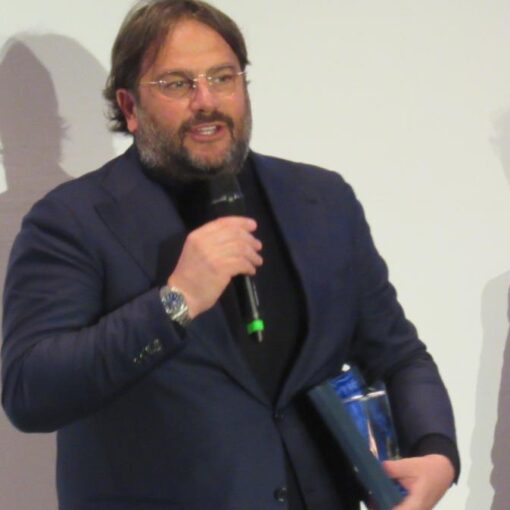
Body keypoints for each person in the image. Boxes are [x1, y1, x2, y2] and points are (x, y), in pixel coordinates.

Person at [1, 1, 459, 509]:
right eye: (177, 84)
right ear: (130, 108)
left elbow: (397, 354)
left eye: (223, 78)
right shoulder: (72, 221)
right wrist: (174, 303)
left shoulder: (322, 201)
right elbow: (30, 392)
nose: (207, 101)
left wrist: (436, 450)